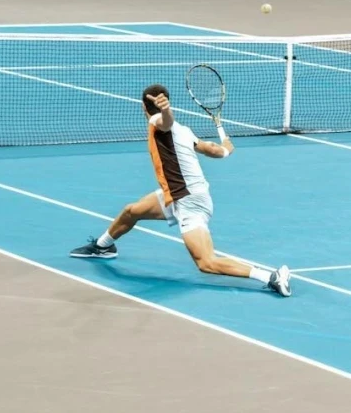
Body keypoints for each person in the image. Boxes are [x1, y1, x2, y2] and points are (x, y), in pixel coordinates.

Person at [69, 84, 293, 297]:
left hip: (190, 201)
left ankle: (270, 276)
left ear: (142, 107)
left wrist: (166, 111)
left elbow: (164, 122)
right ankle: (103, 246)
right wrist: (225, 150)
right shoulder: (183, 130)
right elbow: (210, 148)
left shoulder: (159, 121)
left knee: (206, 263)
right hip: (176, 195)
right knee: (132, 211)